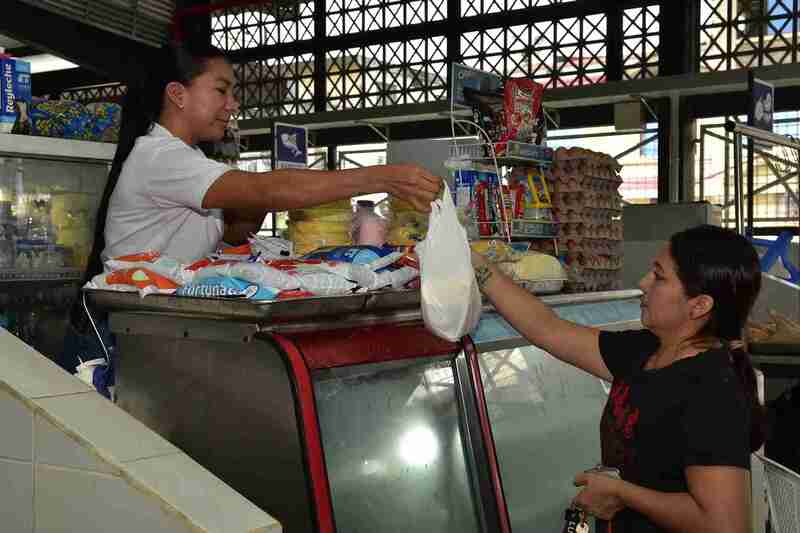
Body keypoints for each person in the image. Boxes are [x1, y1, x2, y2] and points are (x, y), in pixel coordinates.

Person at [58, 41, 441, 374]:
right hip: (123, 334)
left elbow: (229, 234)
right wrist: (382, 179)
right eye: (221, 91)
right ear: (178, 94)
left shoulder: (187, 157)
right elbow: (263, 189)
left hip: (157, 325)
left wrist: (248, 203)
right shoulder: (160, 157)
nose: (232, 104)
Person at [471, 224, 765, 533]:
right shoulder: (647, 350)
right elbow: (547, 328)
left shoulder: (712, 389)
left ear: (699, 305)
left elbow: (725, 526)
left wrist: (622, 494)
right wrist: (473, 262)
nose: (643, 283)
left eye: (659, 277)